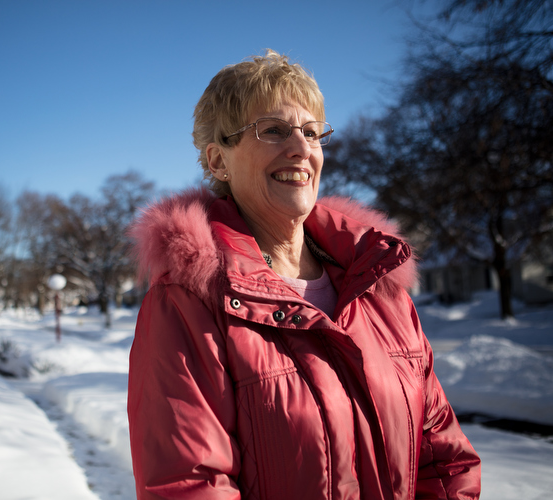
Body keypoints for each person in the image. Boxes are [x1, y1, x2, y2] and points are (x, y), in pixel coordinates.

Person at [127, 50, 481, 499]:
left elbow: (444, 459)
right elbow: (190, 485)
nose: (301, 148)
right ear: (218, 162)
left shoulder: (379, 287)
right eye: (273, 130)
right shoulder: (188, 302)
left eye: (312, 132)